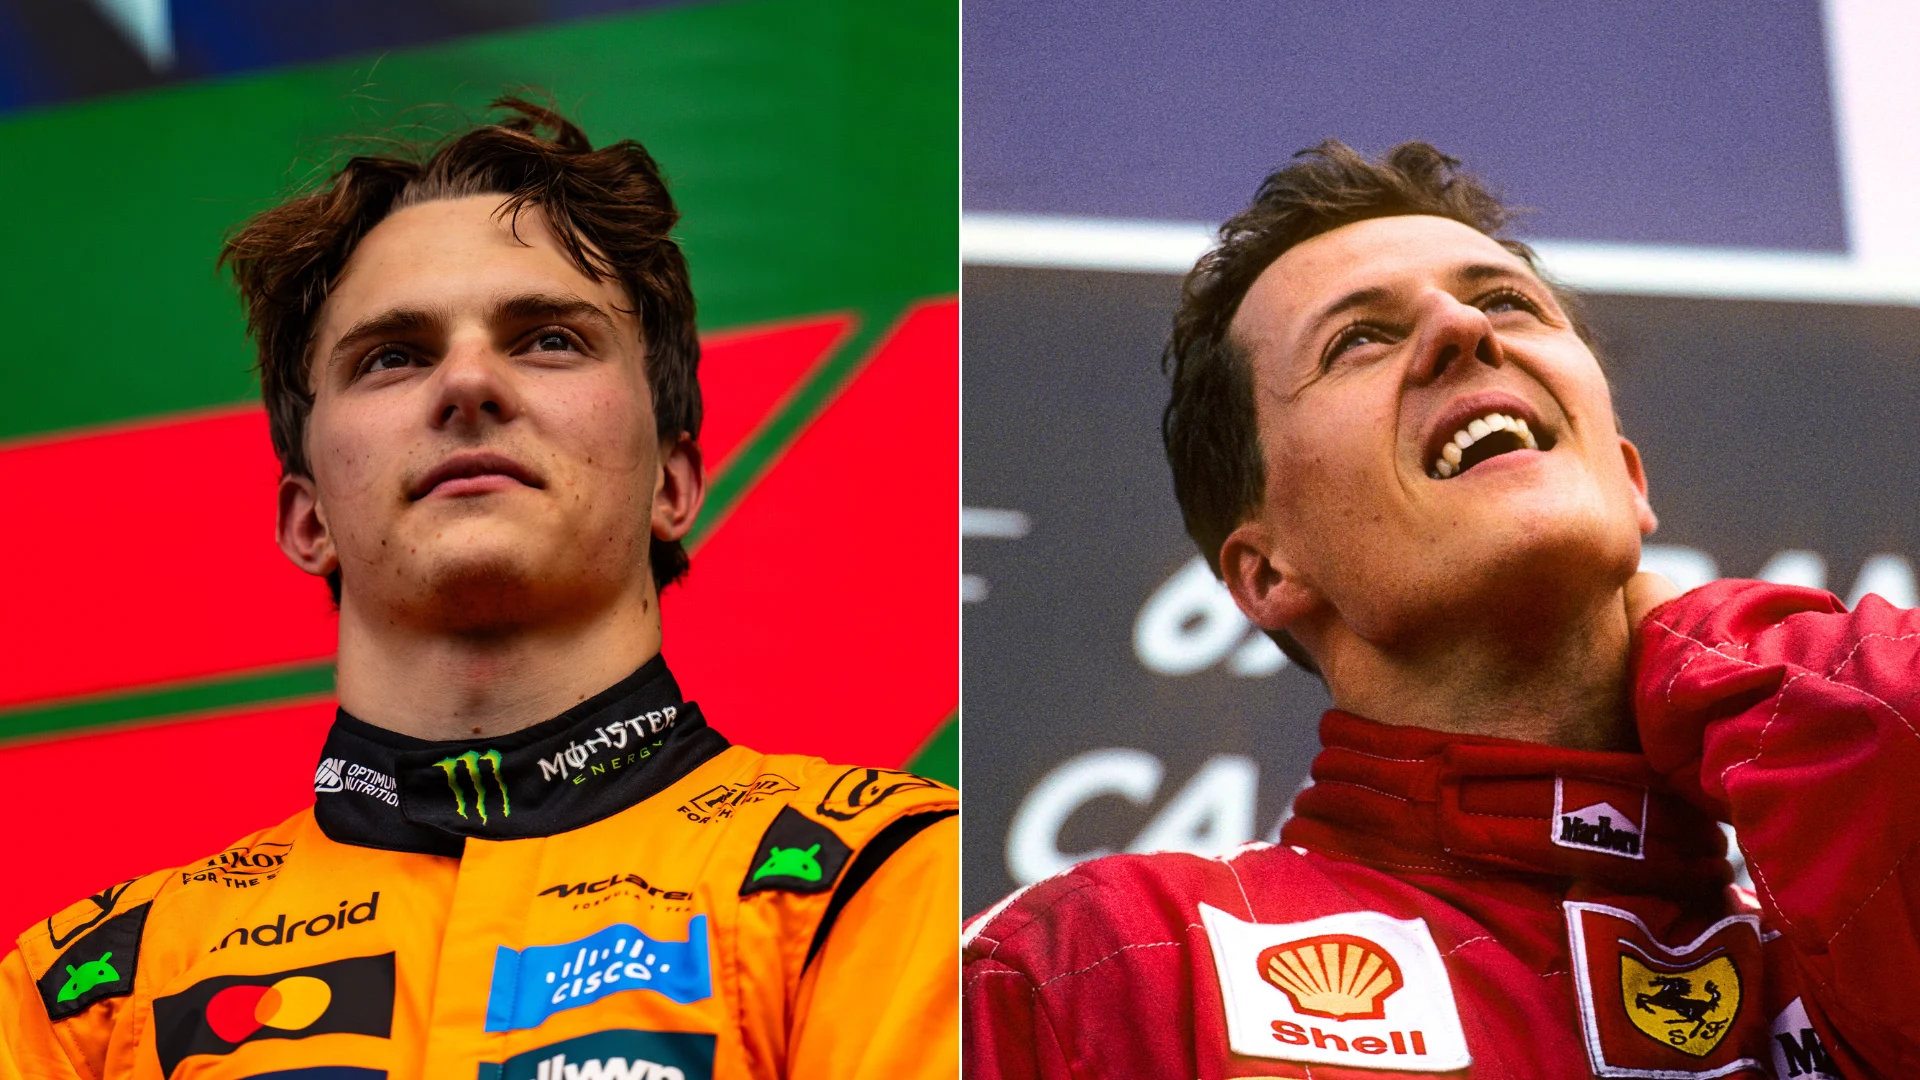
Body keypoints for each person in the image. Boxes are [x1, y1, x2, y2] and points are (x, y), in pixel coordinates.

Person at [1, 99, 957, 1080]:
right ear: (307, 517)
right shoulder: (86, 999)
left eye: (548, 339)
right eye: (393, 357)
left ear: (673, 483)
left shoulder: (875, 882)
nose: (467, 384)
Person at [962, 142, 1917, 1078]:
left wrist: (1725, 653)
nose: (1464, 330)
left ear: (1628, 479)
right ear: (1265, 572)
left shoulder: (1829, 970)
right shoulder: (1103, 969)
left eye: (1507, 301)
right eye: (1358, 339)